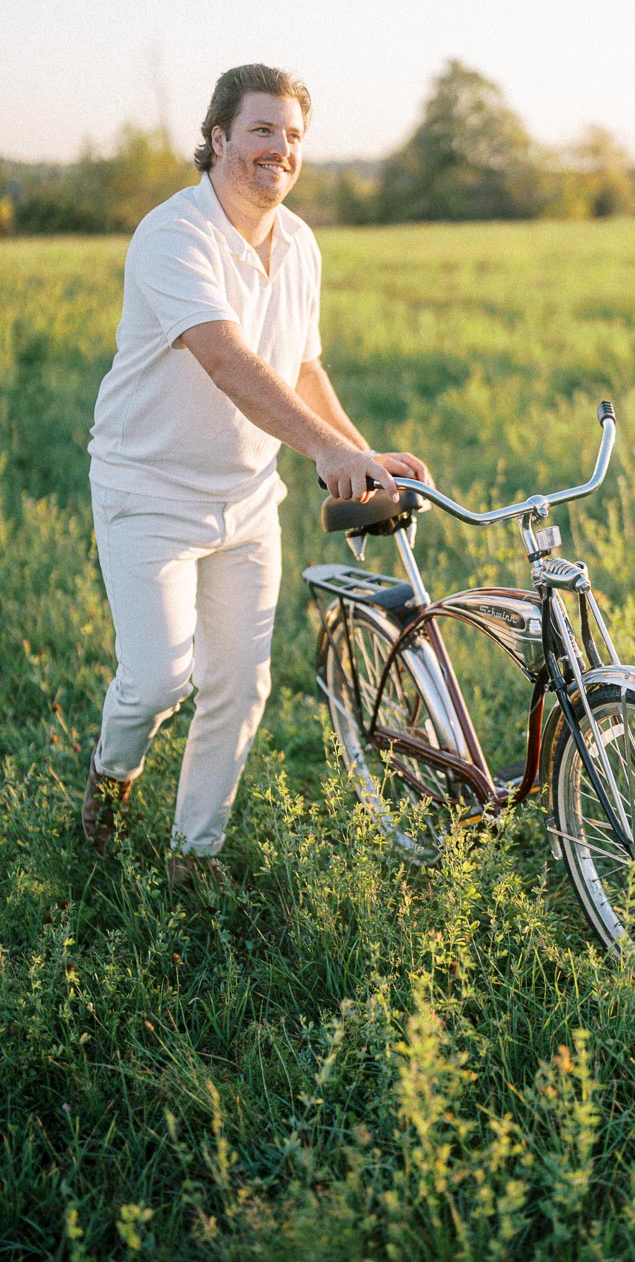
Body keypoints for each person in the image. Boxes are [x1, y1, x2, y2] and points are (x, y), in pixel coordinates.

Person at [83, 63, 428, 885]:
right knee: (159, 679)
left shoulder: (300, 242)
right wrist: (325, 453)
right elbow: (229, 361)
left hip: (245, 499)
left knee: (240, 687)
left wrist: (358, 447)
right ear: (218, 140)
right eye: (263, 130)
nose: (281, 149)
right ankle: (111, 776)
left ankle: (191, 860)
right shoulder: (174, 235)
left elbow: (300, 366)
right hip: (148, 494)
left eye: (294, 135)